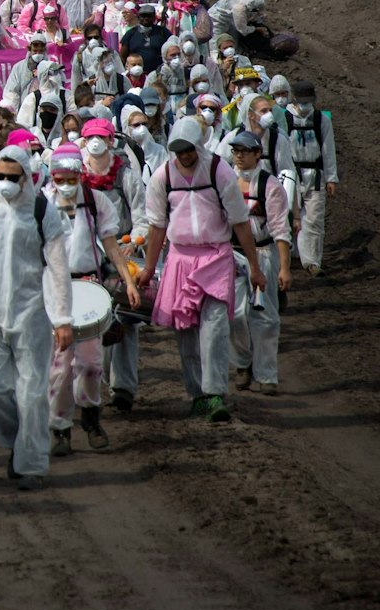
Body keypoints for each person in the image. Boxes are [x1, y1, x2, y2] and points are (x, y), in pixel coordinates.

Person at [0, 145, 70, 490]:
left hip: (31, 309)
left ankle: (31, 465)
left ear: (26, 176)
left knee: (32, 393)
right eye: (0, 176)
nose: (6, 183)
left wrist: (63, 317)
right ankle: (17, 440)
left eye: (13, 176)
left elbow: (57, 266)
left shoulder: (41, 211)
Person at [138, 117, 263, 423]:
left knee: (215, 326)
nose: (184, 157)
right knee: (186, 332)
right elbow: (156, 227)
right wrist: (150, 268)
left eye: (188, 150)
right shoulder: (162, 178)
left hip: (216, 257)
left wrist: (255, 267)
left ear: (199, 145)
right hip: (180, 259)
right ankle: (197, 394)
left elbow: (239, 223)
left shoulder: (219, 172)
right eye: (178, 151)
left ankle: (216, 393)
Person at [45, 144, 138, 453]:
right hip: (55, 289)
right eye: (60, 179)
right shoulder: (42, 204)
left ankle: (90, 415)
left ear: (80, 176)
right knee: (60, 365)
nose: (66, 184)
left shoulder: (96, 203)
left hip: (88, 286)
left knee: (90, 363)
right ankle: (59, 427)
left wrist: (128, 282)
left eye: (71, 178)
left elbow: (110, 245)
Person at [225, 131, 290, 395]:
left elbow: (280, 229)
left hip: (263, 254)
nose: (239, 155)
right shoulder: (226, 181)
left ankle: (267, 374)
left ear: (257, 154)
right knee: (234, 314)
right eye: (236, 150)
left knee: (265, 317)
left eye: (245, 150)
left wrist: (284, 267)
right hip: (232, 254)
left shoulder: (270, 185)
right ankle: (242, 362)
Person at [285, 79, 336, 278]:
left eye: (308, 101)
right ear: (294, 99)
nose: (305, 105)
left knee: (314, 219)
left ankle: (312, 261)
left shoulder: (321, 119)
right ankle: (287, 254)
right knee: (288, 217)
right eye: (302, 101)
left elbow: (328, 150)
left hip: (315, 175)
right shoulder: (284, 118)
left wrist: (331, 178)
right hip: (291, 174)